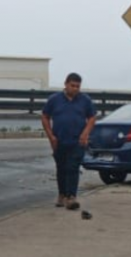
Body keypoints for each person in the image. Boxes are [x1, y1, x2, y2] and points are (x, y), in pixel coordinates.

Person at [41, 73, 97, 211]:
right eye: (72, 85)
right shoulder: (54, 99)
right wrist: (51, 136)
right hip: (59, 140)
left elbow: (92, 118)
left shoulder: (85, 100)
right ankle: (62, 194)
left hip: (77, 140)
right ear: (66, 84)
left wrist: (85, 134)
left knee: (73, 167)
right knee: (62, 168)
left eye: (78, 86)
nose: (75, 89)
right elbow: (45, 116)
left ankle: (71, 196)